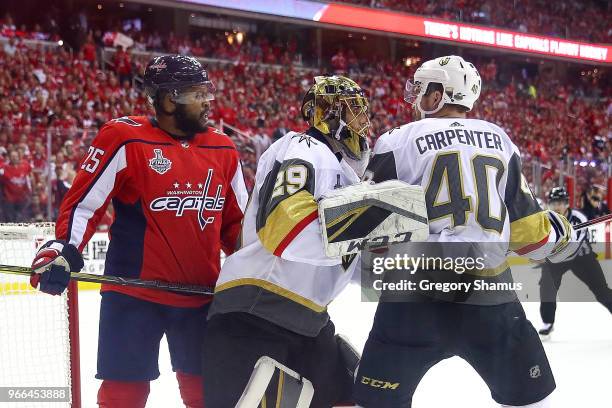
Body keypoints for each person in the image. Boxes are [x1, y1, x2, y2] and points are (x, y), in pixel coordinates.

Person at [355, 55, 577, 408]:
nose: (416, 97)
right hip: (489, 294)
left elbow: (363, 229)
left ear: (441, 93)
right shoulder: (499, 139)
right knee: (531, 399)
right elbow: (531, 237)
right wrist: (560, 232)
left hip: (413, 295)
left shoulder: (397, 140)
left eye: (423, 88)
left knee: (376, 401)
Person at [29, 55, 248, 408]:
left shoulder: (223, 148)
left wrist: (263, 269)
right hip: (133, 294)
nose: (208, 101)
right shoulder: (124, 138)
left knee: (208, 395)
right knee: (122, 397)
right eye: (197, 93)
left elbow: (238, 225)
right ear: (167, 99)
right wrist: (61, 248)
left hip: (200, 296)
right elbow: (84, 203)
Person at [201, 75, 371, 407]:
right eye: (353, 110)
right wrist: (370, 222)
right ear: (328, 114)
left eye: (363, 112)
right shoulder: (304, 148)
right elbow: (285, 230)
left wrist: (423, 273)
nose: (363, 120)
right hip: (257, 314)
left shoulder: (345, 174)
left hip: (309, 320)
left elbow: (349, 259)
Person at [538, 187, 612, 337]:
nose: (557, 206)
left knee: (602, 291)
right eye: (553, 203)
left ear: (567, 204)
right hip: (555, 259)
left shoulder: (579, 218)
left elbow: (573, 247)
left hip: (582, 258)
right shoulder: (545, 219)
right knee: (546, 286)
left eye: (560, 203)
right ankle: (547, 322)